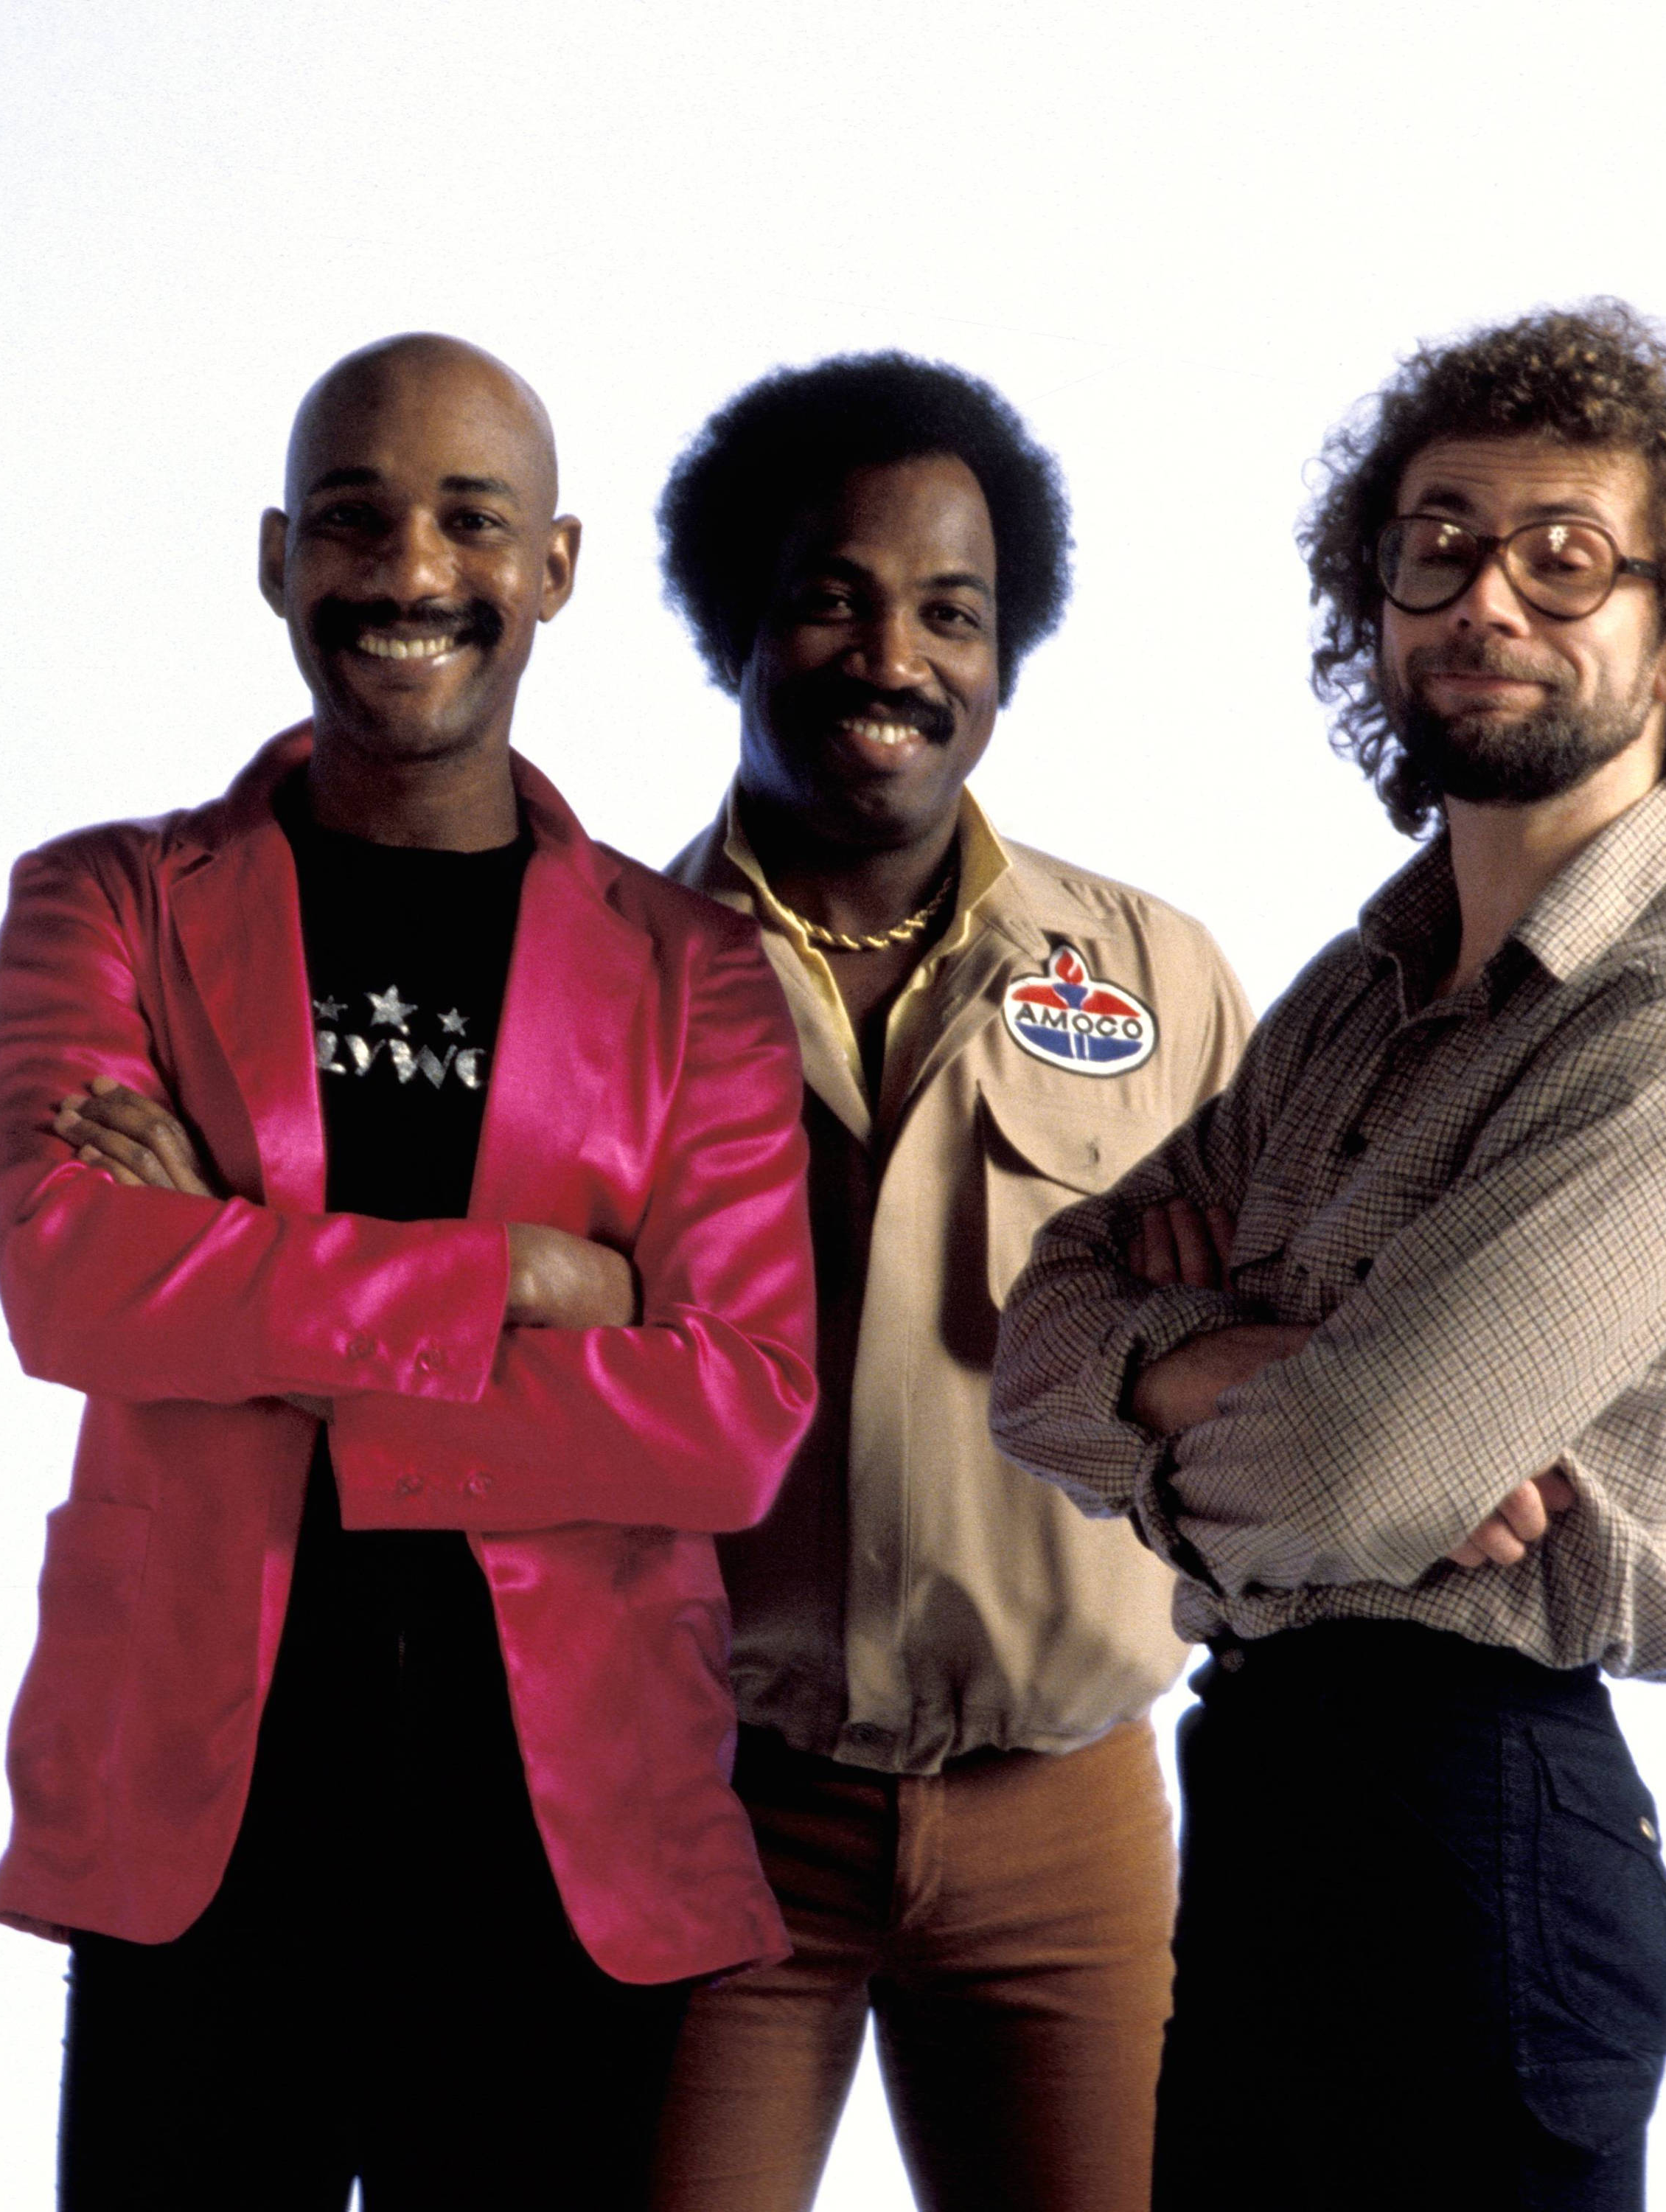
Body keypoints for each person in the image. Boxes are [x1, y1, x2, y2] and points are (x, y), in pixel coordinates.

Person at [0, 333, 819, 2208]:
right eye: (353, 520)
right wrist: (525, 1277)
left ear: (556, 566)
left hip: (566, 1841)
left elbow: (732, 1420)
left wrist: (238, 1273)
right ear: (277, 558)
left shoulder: (692, 973)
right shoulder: (105, 899)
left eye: (470, 521)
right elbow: (72, 1282)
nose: (410, 571)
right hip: (197, 1824)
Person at [991, 301, 1666, 2211]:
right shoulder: (1352, 997)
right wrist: (1210, 1361)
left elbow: (1360, 1466)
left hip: (1483, 1825)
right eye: (1437, 546)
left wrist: (1224, 1412)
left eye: (1564, 557)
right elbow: (1035, 1336)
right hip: (1265, 1796)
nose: (1484, 598)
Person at [646, 355, 1250, 2212]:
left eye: (950, 613)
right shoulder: (607, 975)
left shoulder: (1150, 976)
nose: (892, 656)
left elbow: (1273, 1360)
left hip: (1065, 1811)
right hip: (711, 1804)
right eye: (833, 597)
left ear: (1005, 652)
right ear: (736, 622)